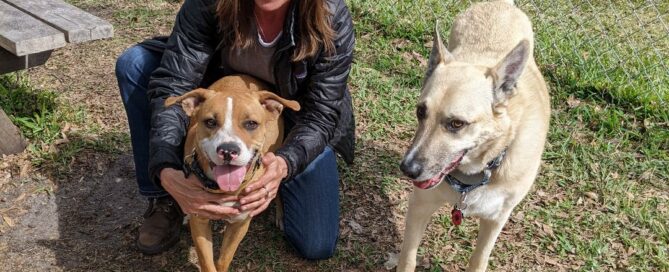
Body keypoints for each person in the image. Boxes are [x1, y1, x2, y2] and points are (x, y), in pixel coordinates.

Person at [115, 0, 354, 260]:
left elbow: (322, 113)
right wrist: (165, 168)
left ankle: (272, 183)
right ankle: (166, 199)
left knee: (315, 243)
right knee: (135, 64)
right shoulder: (209, 4)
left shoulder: (330, 14)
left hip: (297, 116)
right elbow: (173, 83)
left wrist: (286, 162)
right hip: (219, 100)